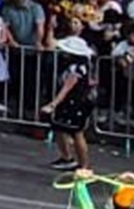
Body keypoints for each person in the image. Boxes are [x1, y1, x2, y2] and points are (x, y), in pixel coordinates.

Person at [43, 35, 100, 172]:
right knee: (59, 127)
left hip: (76, 102)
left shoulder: (76, 68)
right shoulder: (84, 64)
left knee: (76, 132)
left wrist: (53, 104)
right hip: (73, 101)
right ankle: (67, 157)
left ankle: (84, 165)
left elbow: (67, 87)